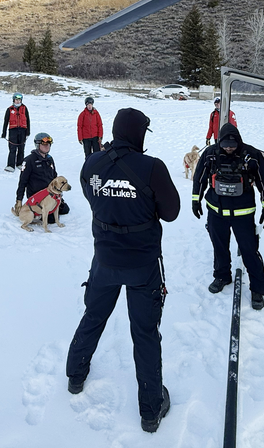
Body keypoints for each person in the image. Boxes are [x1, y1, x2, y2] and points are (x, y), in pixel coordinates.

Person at [66, 108, 180, 433]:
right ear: (138, 133)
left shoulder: (92, 163)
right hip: (142, 265)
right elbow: (170, 212)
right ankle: (151, 410)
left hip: (104, 260)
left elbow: (92, 196)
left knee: (93, 316)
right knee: (144, 333)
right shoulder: (151, 167)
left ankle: (75, 374)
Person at [192, 122, 264, 310]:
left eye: (232, 145)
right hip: (216, 212)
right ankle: (221, 276)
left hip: (243, 214)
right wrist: (195, 200)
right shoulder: (210, 154)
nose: (229, 148)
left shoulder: (251, 155)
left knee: (249, 250)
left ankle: (258, 288)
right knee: (219, 247)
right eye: (225, 144)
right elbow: (199, 178)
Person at [13, 132, 69, 221]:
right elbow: (22, 182)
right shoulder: (29, 160)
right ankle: (36, 212)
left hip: (50, 194)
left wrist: (58, 192)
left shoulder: (49, 159)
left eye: (48, 144)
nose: (47, 146)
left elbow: (54, 177)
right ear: (37, 145)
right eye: (44, 144)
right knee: (52, 219)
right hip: (37, 196)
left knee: (65, 209)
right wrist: (19, 200)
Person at [1, 92, 30, 172]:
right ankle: (10, 165)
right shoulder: (9, 109)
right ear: (13, 100)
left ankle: (19, 163)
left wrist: (28, 132)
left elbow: (28, 120)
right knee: (12, 148)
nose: (18, 101)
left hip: (23, 130)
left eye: (19, 100)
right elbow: (6, 121)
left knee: (21, 148)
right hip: (13, 131)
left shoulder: (24, 108)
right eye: (16, 100)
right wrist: (4, 133)